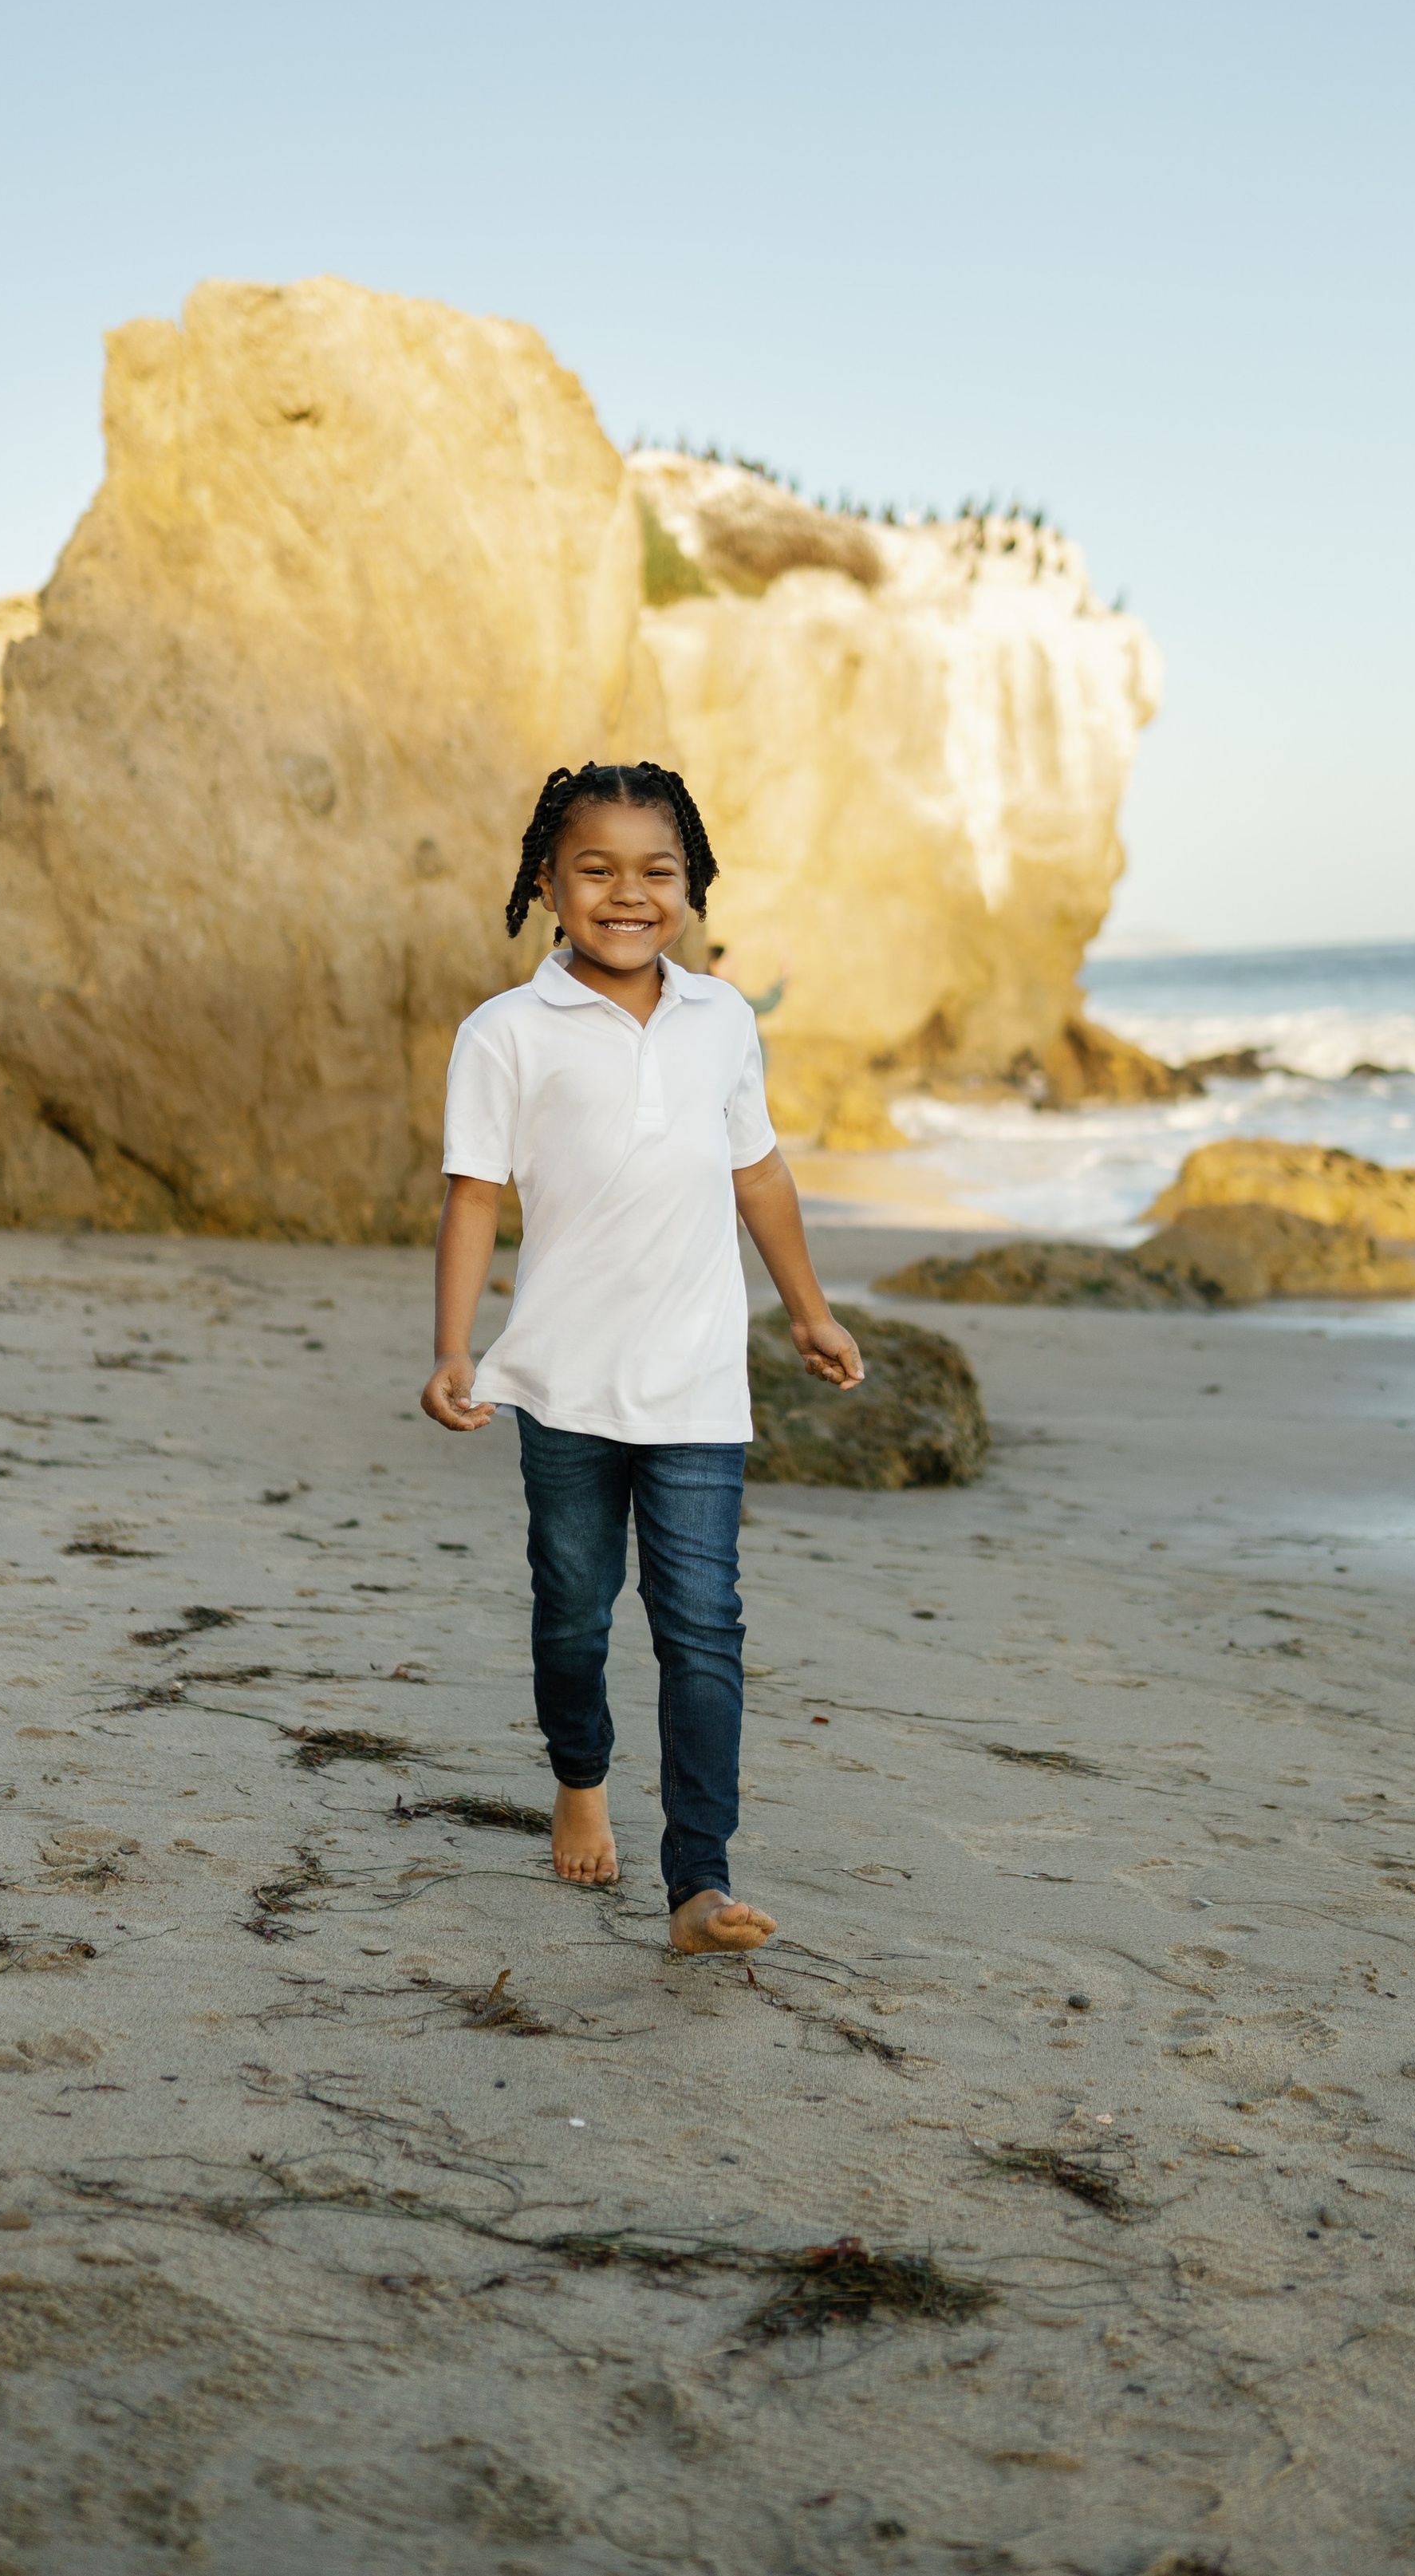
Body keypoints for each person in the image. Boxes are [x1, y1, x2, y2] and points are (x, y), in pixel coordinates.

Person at [420, 760, 864, 1956]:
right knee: (572, 1611)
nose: (630, 893)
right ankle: (579, 1775)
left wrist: (810, 1313)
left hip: (699, 1379)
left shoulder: (724, 1017)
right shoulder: (505, 1032)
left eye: (657, 870)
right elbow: (473, 1196)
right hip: (561, 1380)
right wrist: (457, 1346)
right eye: (597, 870)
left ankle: (698, 1883)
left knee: (702, 1624)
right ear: (548, 884)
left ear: (693, 883)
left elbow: (757, 1172)